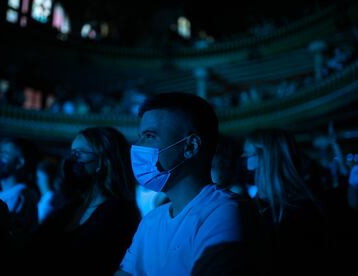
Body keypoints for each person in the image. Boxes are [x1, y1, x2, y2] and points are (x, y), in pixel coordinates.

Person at [117, 92, 260, 276]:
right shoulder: (151, 221)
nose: (138, 145)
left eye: (150, 135)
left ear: (190, 147)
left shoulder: (226, 212)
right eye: (140, 136)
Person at [33, 127, 140, 274]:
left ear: (104, 161)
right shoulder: (71, 207)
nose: (70, 160)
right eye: (71, 153)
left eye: (78, 153)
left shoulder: (120, 213)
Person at [243, 128, 329, 275]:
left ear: (266, 158)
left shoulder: (300, 212)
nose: (244, 159)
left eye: (248, 153)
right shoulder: (258, 205)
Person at [0, 138, 39, 245]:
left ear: (19, 163)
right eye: (0, 154)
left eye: (5, 155)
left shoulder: (20, 196)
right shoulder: (2, 194)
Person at [35, 159, 63, 224]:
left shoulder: (50, 199)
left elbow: (38, 223)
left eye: (39, 178)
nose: (37, 182)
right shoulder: (50, 197)